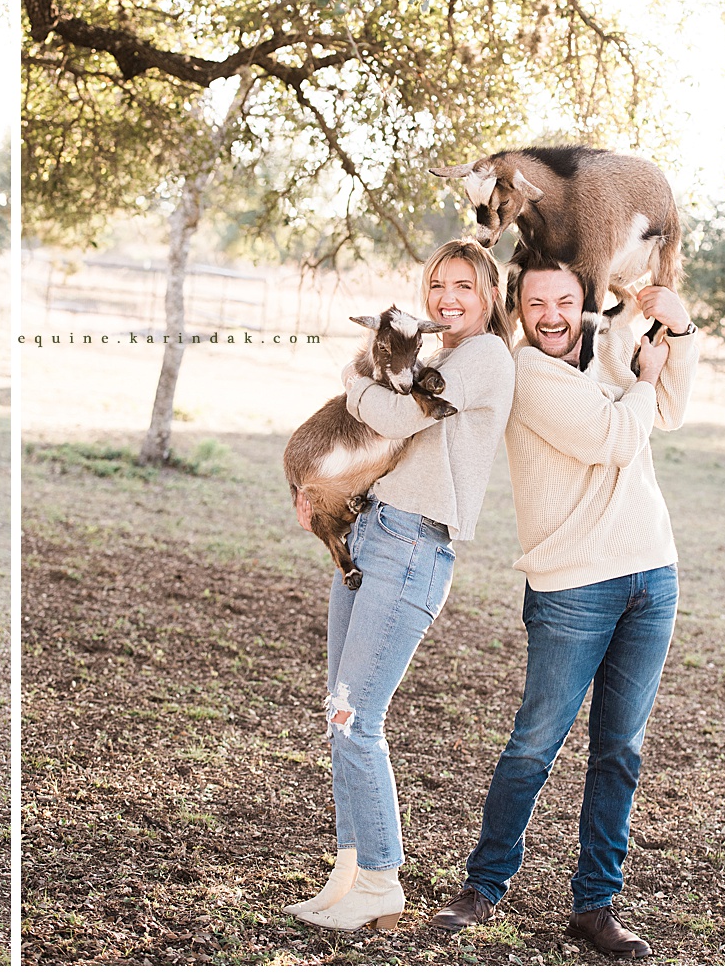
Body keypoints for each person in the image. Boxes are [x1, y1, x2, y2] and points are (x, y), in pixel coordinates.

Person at [428, 264, 698, 958]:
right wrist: (643, 380)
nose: (551, 314)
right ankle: (483, 887)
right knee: (534, 744)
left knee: (620, 750)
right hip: (573, 585)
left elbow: (668, 411)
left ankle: (594, 905)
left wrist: (681, 330)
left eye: (565, 301)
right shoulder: (527, 372)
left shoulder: (609, 348)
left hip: (652, 572)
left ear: (584, 303)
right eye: (537, 302)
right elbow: (616, 437)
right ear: (518, 309)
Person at [287, 239, 516, 931]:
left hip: (413, 547)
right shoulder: (436, 353)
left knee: (356, 720)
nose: (448, 297)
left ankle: (382, 880)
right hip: (373, 532)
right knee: (339, 714)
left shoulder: (483, 357)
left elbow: (392, 415)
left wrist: (352, 378)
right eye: (438, 285)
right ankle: (350, 872)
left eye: (464, 286)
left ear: (490, 296)